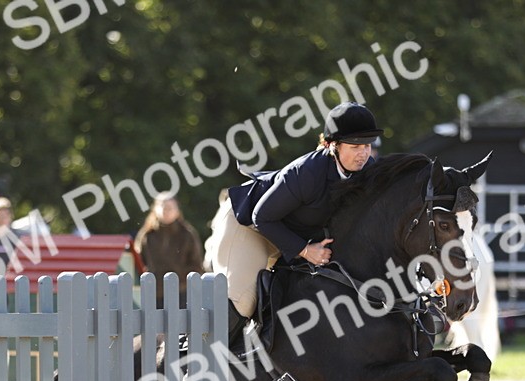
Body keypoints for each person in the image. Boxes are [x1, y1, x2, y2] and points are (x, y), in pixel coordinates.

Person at [208, 101, 381, 343]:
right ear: (332, 145)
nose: (363, 153)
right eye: (355, 146)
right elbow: (262, 217)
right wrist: (304, 250)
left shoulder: (367, 171)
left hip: (291, 232)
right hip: (249, 226)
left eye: (367, 145)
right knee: (244, 301)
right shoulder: (306, 172)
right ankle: (197, 362)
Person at [134, 193, 204, 307]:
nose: (166, 211)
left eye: (170, 208)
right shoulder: (147, 235)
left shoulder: (187, 234)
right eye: (163, 207)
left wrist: (181, 282)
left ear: (177, 211)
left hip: (182, 294)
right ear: (155, 209)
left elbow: (196, 264)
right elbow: (138, 263)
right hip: (153, 294)